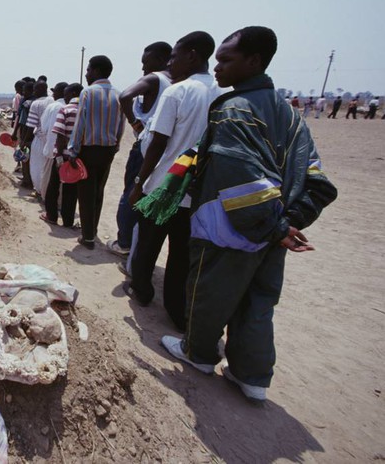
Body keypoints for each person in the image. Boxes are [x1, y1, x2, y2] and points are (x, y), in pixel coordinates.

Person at [160, 26, 337, 402]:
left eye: (227, 59)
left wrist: (272, 226)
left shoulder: (234, 111)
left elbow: (238, 176)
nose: (218, 67)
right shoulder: (290, 115)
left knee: (210, 292)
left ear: (254, 62)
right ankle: (252, 376)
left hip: (232, 228)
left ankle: (199, 354)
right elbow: (316, 178)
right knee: (259, 303)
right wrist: (288, 223)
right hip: (275, 230)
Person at [125, 31, 222, 331]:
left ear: (192, 55)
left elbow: (158, 143)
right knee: (181, 254)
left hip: (164, 187)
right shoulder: (222, 93)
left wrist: (139, 182)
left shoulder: (178, 92)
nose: (171, 62)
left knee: (148, 245)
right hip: (195, 190)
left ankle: (142, 292)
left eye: (174, 56)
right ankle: (176, 310)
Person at [106, 41, 173, 256]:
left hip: (144, 146)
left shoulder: (154, 79)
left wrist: (135, 123)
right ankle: (135, 244)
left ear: (162, 60)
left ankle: (124, 242)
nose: (143, 68)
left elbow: (125, 96)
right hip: (165, 149)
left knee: (132, 192)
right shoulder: (177, 83)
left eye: (146, 62)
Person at [67, 55, 125, 249]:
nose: (86, 73)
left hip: (88, 150)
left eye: (89, 69)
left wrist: (73, 151)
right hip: (107, 150)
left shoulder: (88, 93)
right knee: (98, 192)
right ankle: (93, 229)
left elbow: (80, 124)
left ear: (97, 71)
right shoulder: (119, 94)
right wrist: (115, 146)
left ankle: (88, 236)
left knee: (85, 193)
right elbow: (120, 125)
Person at [43, 83, 83, 227]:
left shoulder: (65, 110)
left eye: (65, 95)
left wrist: (59, 155)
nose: (64, 98)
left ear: (72, 94)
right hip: (77, 158)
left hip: (63, 155)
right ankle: (68, 220)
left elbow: (60, 135)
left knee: (53, 186)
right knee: (71, 191)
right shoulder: (86, 110)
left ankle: (51, 216)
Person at [35, 82, 68, 200]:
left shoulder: (54, 106)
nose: (53, 94)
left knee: (49, 177)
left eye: (55, 91)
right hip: (67, 151)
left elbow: (44, 127)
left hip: (51, 148)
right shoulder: (70, 107)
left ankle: (47, 201)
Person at [25, 81, 54, 198]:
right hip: (52, 139)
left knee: (37, 167)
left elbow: (31, 125)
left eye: (35, 90)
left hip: (40, 139)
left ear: (40, 89)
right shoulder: (53, 101)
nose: (34, 92)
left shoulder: (36, 103)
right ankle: (47, 192)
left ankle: (39, 191)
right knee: (48, 168)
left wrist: (24, 142)